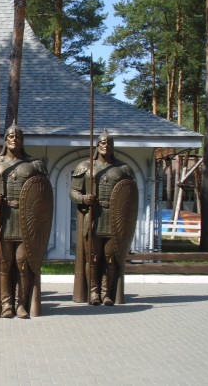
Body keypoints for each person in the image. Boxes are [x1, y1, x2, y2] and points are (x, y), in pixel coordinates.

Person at [0, 121, 52, 318]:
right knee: (4, 265)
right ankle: (6, 303)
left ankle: (21, 304)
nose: (14, 139)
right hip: (3, 221)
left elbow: (43, 194)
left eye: (17, 136)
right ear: (5, 140)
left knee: (23, 264)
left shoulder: (34, 165)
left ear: (22, 140)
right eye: (10, 136)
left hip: (27, 222)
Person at [70, 130, 138, 306]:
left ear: (112, 146)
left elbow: (130, 196)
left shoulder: (123, 169)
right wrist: (84, 198)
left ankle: (106, 293)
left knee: (110, 258)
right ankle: (93, 292)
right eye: (102, 142)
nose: (105, 145)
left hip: (114, 219)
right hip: (93, 218)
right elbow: (73, 192)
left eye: (108, 142)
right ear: (97, 145)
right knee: (92, 258)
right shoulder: (85, 167)